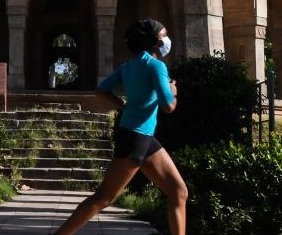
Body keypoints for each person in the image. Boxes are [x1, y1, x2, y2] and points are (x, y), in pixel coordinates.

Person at [52, 19, 188, 235]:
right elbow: (168, 106)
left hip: (141, 136)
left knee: (179, 191)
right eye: (164, 35)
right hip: (136, 138)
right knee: (103, 198)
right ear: (154, 41)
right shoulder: (157, 66)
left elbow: (101, 90)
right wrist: (173, 91)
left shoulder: (129, 66)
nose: (166, 40)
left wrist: (122, 105)